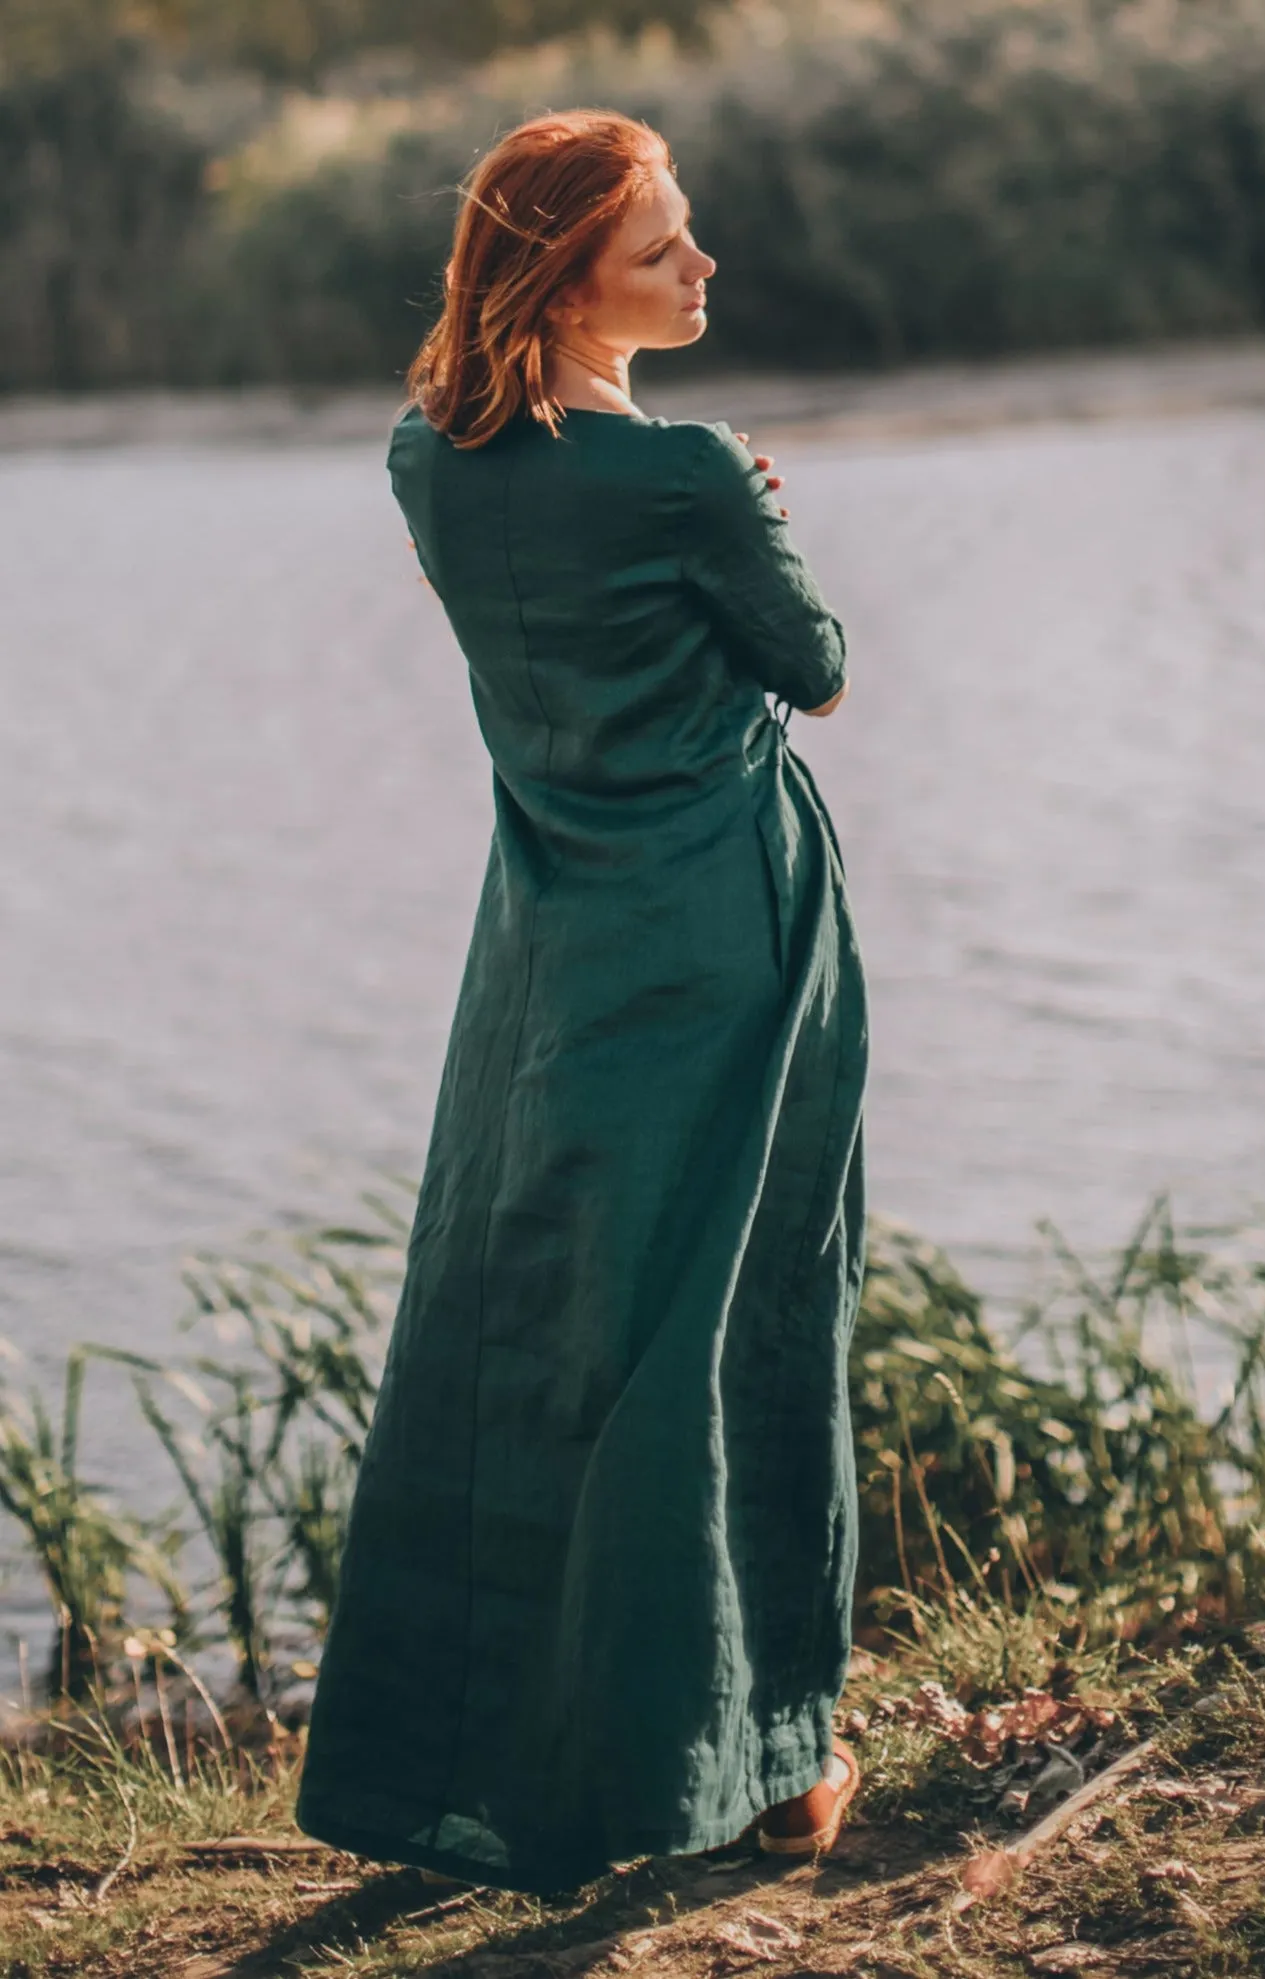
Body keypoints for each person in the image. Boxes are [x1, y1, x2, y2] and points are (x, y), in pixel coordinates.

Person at [295, 106, 868, 1897]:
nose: (704, 266)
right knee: (739, 1309)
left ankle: (459, 1761)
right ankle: (768, 1757)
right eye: (664, 248)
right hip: (723, 929)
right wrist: (757, 508)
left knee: (524, 1313)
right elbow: (820, 667)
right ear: (560, 281)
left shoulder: (421, 459)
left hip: (548, 942)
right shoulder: (687, 471)